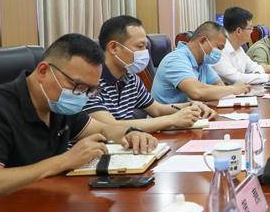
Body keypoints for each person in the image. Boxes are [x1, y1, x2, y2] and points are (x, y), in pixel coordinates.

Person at [0, 34, 157, 212]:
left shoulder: (57, 105)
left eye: (91, 90)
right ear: (43, 71)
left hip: (43, 206)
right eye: (77, 85)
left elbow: (103, 129)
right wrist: (64, 161)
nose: (82, 95)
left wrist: (130, 132)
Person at [84, 15, 216, 131]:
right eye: (140, 46)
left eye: (146, 47)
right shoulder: (89, 82)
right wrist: (172, 120)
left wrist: (191, 106)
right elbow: (110, 126)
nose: (145, 52)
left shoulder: (130, 77)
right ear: (114, 48)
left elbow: (157, 109)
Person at [151, 22, 251, 104]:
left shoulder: (202, 62)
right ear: (203, 41)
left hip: (190, 116)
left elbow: (220, 86)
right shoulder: (176, 59)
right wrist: (233, 89)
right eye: (219, 48)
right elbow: (196, 91)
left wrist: (210, 92)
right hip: (167, 119)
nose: (220, 53)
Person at [215, 7, 270, 84]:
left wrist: (260, 75)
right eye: (250, 28)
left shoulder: (239, 49)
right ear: (238, 31)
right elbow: (236, 78)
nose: (252, 31)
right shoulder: (219, 51)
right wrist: (269, 77)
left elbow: (255, 67)